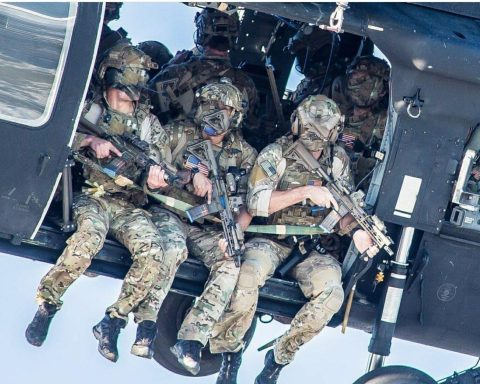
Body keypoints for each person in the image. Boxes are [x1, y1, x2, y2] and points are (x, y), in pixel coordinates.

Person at [25, 43, 187, 363]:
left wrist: (158, 177)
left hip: (129, 205)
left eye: (136, 88)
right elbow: (55, 135)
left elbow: (166, 166)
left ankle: (114, 319)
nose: (132, 96)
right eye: (125, 87)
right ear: (110, 81)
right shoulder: (90, 111)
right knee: (86, 242)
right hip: (94, 197)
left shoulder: (147, 123)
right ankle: (48, 304)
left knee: (154, 252)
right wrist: (89, 140)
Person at [208, 95, 379, 384]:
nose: (316, 138)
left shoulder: (336, 161)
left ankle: (278, 357)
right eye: (311, 129)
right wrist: (303, 193)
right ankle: (230, 353)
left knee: (332, 295)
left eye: (322, 132)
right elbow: (256, 202)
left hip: (313, 249)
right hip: (272, 240)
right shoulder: (277, 153)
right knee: (247, 273)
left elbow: (345, 210)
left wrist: (359, 232)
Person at [143, 79, 257, 375]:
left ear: (235, 116)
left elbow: (252, 200)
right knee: (172, 249)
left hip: (209, 228)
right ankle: (147, 321)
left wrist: (232, 231)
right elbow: (149, 163)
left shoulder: (243, 154)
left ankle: (192, 339)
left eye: (223, 109)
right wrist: (187, 175)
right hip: (171, 214)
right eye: (208, 105)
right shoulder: (178, 133)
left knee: (230, 264)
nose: (214, 113)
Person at [149, 7, 257, 129]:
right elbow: (250, 126)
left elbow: (146, 103)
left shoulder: (176, 73)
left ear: (201, 33)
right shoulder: (247, 85)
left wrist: (169, 65)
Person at [331, 55, 390, 186]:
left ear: (382, 90)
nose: (356, 86)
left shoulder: (386, 124)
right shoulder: (334, 115)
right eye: (353, 79)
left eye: (364, 81)